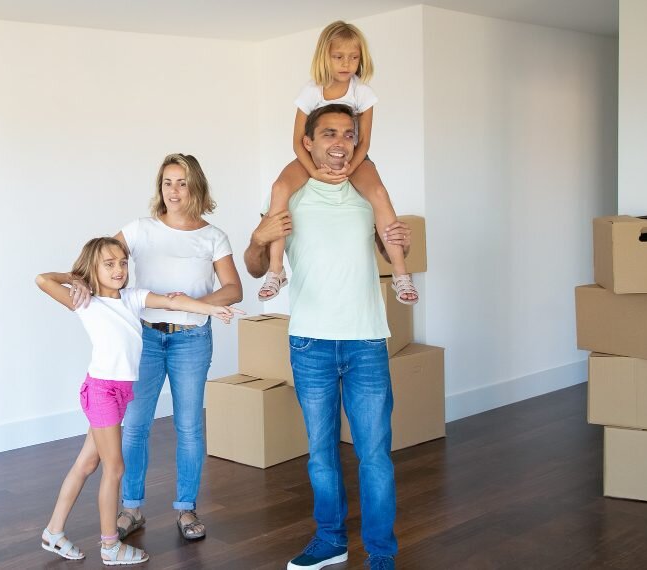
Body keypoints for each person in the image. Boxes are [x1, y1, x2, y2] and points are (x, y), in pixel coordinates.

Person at [245, 104, 412, 570]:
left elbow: (390, 245)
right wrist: (258, 238)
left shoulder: (367, 189)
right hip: (310, 343)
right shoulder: (291, 193)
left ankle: (381, 552)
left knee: (374, 455)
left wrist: (398, 244)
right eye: (329, 133)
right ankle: (330, 540)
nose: (340, 142)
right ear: (309, 142)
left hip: (366, 341)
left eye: (348, 134)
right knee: (321, 454)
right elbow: (255, 267)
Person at [35, 236, 241, 565]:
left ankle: (53, 532)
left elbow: (173, 303)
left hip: (120, 393)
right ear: (93, 268)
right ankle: (110, 546)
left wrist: (211, 309)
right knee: (114, 467)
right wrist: (76, 279)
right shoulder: (85, 301)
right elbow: (43, 280)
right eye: (109, 264)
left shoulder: (132, 298)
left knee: (87, 464)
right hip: (102, 391)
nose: (118, 269)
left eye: (122, 262)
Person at [69, 154, 243, 541]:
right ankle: (131, 508)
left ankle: (186, 508)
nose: (174, 191)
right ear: (159, 187)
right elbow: (97, 261)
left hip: (192, 340)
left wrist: (195, 304)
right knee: (135, 425)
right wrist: (77, 280)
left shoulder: (213, 237)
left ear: (196, 186)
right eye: (167, 182)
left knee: (189, 426)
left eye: (182, 182)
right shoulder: (139, 230)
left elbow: (234, 289)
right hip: (144, 338)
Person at [258, 20, 419, 307]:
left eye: (353, 57)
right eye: (338, 56)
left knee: (379, 193)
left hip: (354, 157)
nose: (346, 64)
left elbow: (363, 141)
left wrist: (350, 168)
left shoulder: (363, 92)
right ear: (325, 57)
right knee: (279, 188)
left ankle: (400, 274)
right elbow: (297, 141)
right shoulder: (311, 91)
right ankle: (276, 270)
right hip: (309, 157)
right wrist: (314, 173)